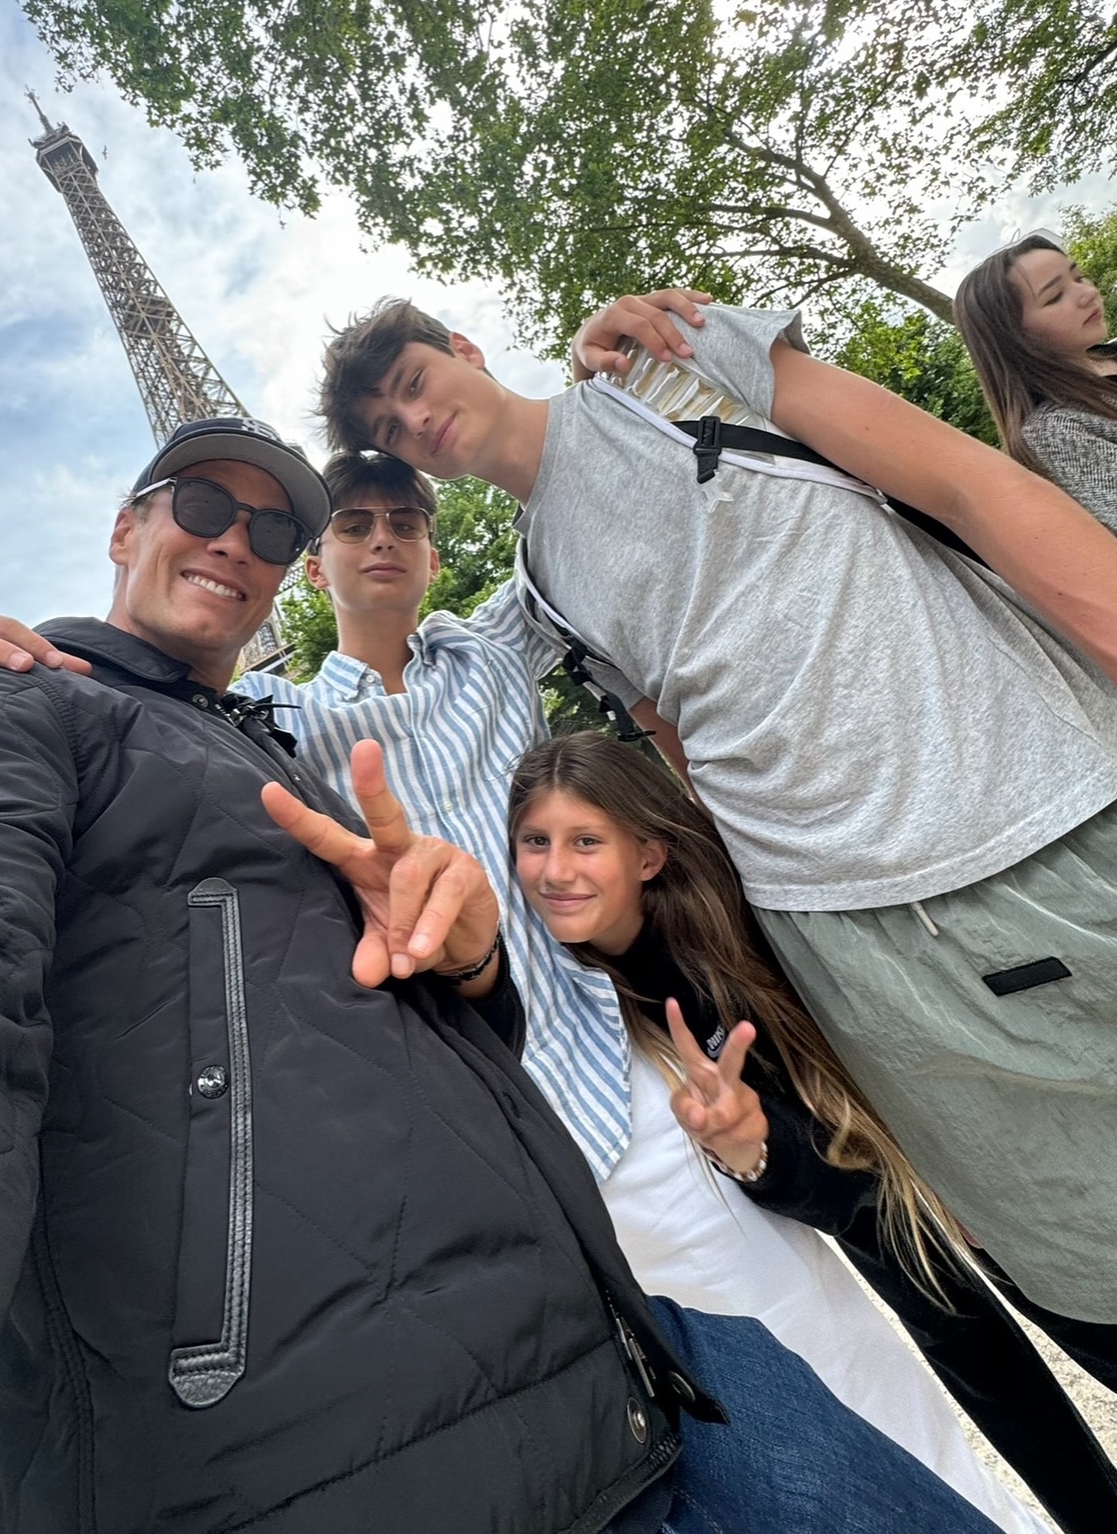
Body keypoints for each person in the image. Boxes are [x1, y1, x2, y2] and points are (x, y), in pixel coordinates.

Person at [0, 415, 1017, 1534]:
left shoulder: (280, 757)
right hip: (359, 1464)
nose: (236, 541)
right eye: (203, 502)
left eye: (268, 528)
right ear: (122, 528)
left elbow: (341, 1040)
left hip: (643, 1365)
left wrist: (475, 964)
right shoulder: (7, 704)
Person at [318, 290, 1117, 1363]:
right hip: (850, 940)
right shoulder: (540, 591)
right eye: (384, 430)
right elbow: (680, 751)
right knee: (1072, 1268)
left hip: (1042, 808)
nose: (410, 423)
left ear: (464, 348)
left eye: (412, 385)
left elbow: (965, 480)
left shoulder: (667, 367)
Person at [507, 730, 1100, 1534]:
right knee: (1021, 1414)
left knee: (1086, 1324)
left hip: (953, 1160)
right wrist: (753, 1147)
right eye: (534, 842)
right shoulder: (592, 999)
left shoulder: (736, 931)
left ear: (648, 854)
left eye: (585, 841)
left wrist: (927, 1172)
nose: (554, 869)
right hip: (875, 1211)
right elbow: (820, 1178)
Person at [954, 232, 1117, 529]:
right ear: (1015, 336)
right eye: (1054, 296)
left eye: (1079, 277)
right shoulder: (1055, 430)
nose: (1087, 293)